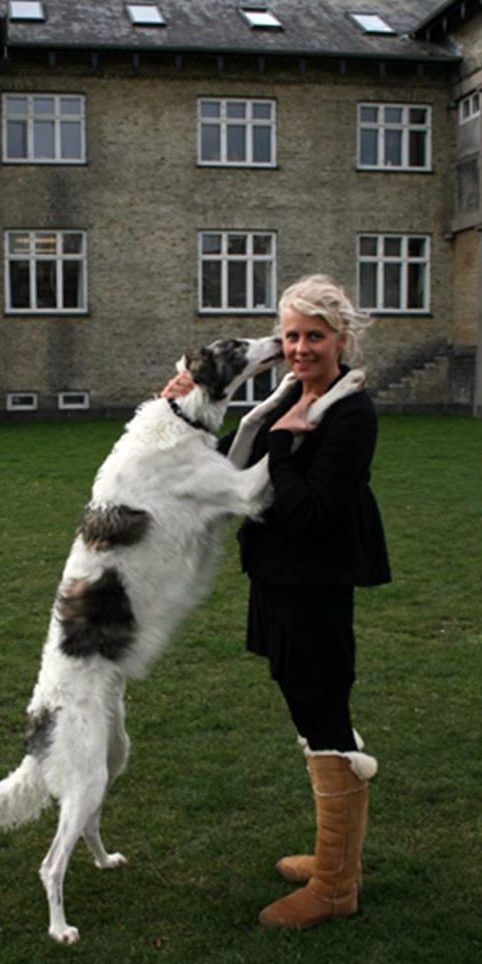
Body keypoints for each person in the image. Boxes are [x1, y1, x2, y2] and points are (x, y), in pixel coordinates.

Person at [162, 274, 390, 930]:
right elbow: (235, 478)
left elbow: (311, 510)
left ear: (341, 339)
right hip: (277, 575)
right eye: (290, 334)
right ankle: (334, 856)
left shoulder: (350, 413)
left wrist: (288, 442)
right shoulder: (293, 389)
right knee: (305, 699)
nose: (298, 347)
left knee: (321, 708)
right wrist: (181, 405)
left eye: (313, 336)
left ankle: (336, 886)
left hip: (314, 579)